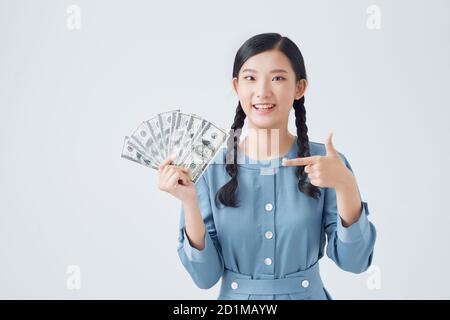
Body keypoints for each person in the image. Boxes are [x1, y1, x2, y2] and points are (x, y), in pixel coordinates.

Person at [158, 33, 376, 300]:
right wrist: (189, 202)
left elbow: (355, 262)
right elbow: (205, 278)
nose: (262, 91)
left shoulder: (326, 164)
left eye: (278, 78)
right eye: (250, 78)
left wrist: (345, 185)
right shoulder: (210, 168)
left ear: (299, 88)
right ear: (236, 87)